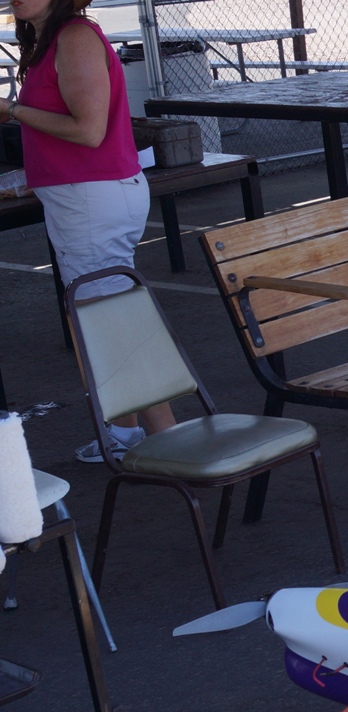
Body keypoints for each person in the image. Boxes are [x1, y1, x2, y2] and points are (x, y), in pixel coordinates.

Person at [2, 0, 175, 462]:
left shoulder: (75, 36)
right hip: (86, 198)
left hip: (91, 200)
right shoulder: (52, 38)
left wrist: (12, 111)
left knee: (112, 323)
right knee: (106, 316)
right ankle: (126, 431)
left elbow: (89, 130)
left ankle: (169, 438)